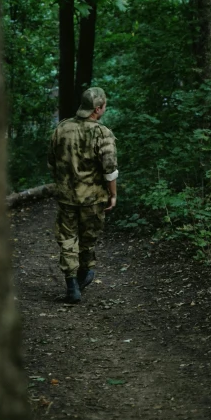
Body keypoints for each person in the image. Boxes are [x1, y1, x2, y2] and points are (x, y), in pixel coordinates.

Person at [48, 87, 118, 303]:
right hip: (93, 199)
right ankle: (84, 273)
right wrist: (113, 195)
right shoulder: (102, 133)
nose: (105, 108)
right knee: (88, 239)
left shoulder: (62, 129)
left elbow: (52, 162)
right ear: (97, 109)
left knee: (68, 239)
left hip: (67, 197)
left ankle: (72, 286)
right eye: (104, 105)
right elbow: (109, 169)